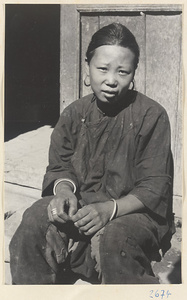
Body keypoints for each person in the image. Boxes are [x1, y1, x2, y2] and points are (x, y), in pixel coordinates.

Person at [9, 22, 174, 284]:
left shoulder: (151, 115)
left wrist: (110, 209)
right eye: (102, 69)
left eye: (122, 71)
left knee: (115, 241)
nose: (111, 80)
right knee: (35, 221)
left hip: (132, 213)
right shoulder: (73, 114)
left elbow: (154, 187)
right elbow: (59, 166)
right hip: (82, 208)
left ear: (133, 75)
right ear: (88, 66)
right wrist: (63, 192)